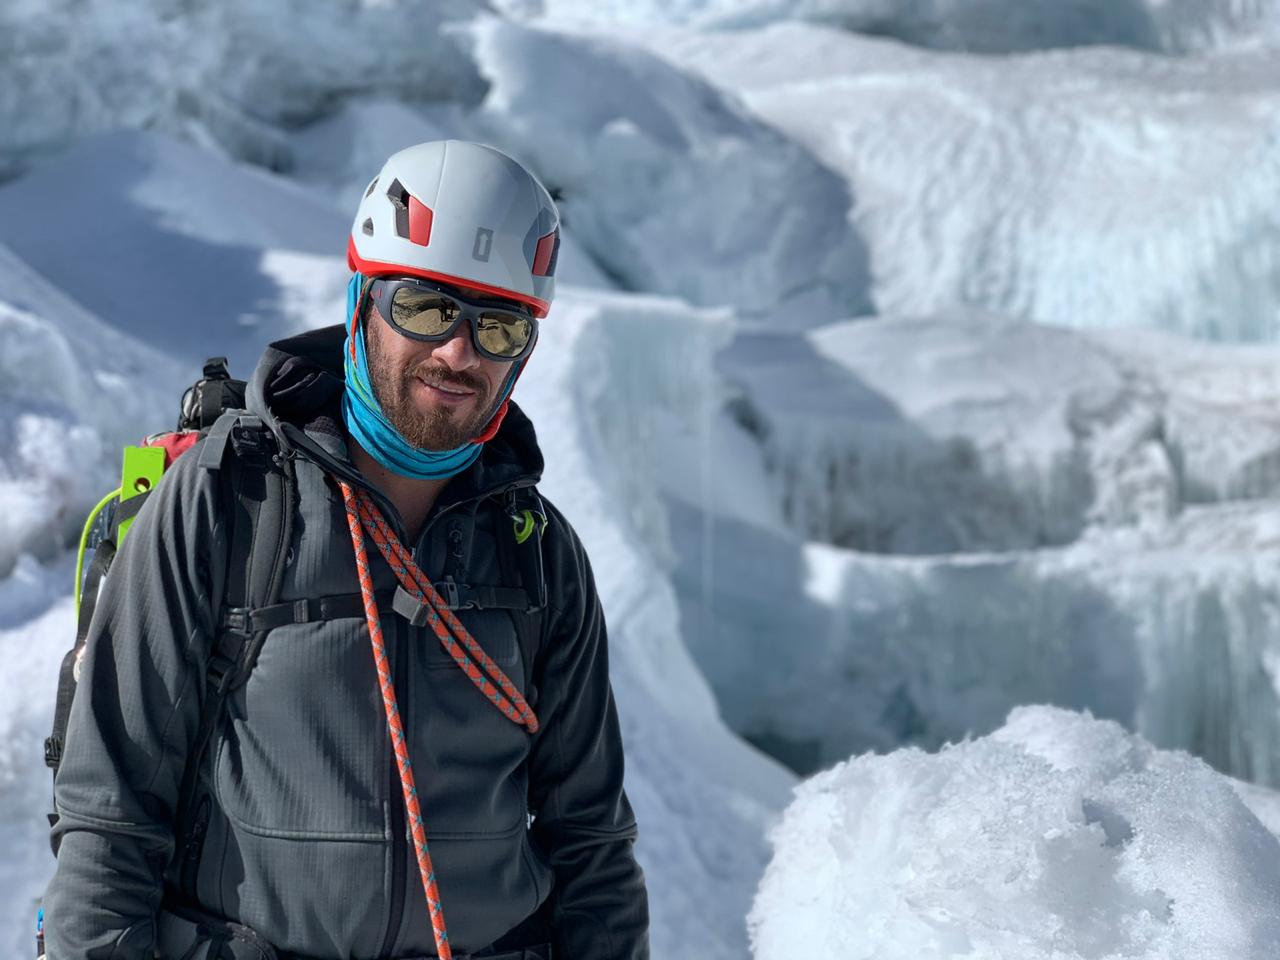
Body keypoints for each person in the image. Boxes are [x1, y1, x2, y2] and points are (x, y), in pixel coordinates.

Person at [43, 140, 650, 959]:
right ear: (362, 298)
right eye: (426, 309)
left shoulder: (538, 553)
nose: (458, 352)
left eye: (498, 326)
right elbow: (109, 814)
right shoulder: (230, 502)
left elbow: (592, 846)